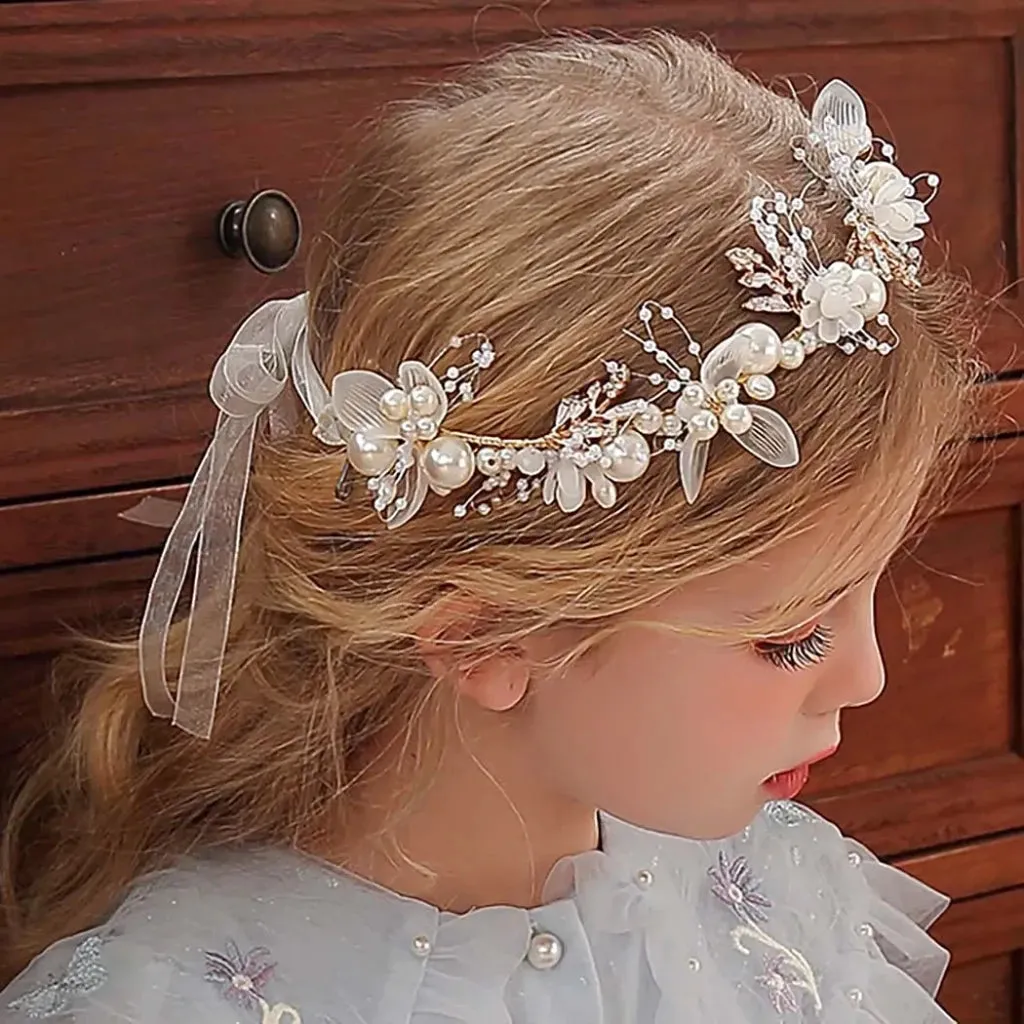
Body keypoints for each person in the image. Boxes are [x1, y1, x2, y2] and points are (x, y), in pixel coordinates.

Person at [0, 30, 979, 1024]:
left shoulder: (765, 908)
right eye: (793, 634)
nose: (866, 675)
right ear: (482, 633)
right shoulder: (178, 1003)